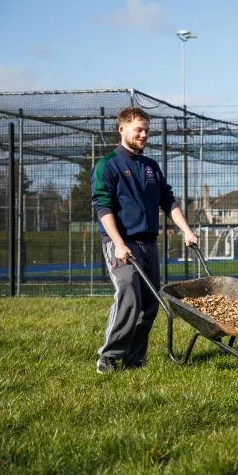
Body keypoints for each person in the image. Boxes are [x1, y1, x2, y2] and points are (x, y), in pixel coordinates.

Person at [91, 107, 198, 374]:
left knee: (150, 303)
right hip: (121, 243)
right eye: (139, 129)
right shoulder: (108, 165)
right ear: (122, 129)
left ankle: (135, 359)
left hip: (148, 244)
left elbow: (168, 201)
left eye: (147, 130)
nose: (144, 134)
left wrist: (186, 230)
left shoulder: (151, 167)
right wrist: (118, 243)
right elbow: (103, 208)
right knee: (129, 294)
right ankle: (110, 356)